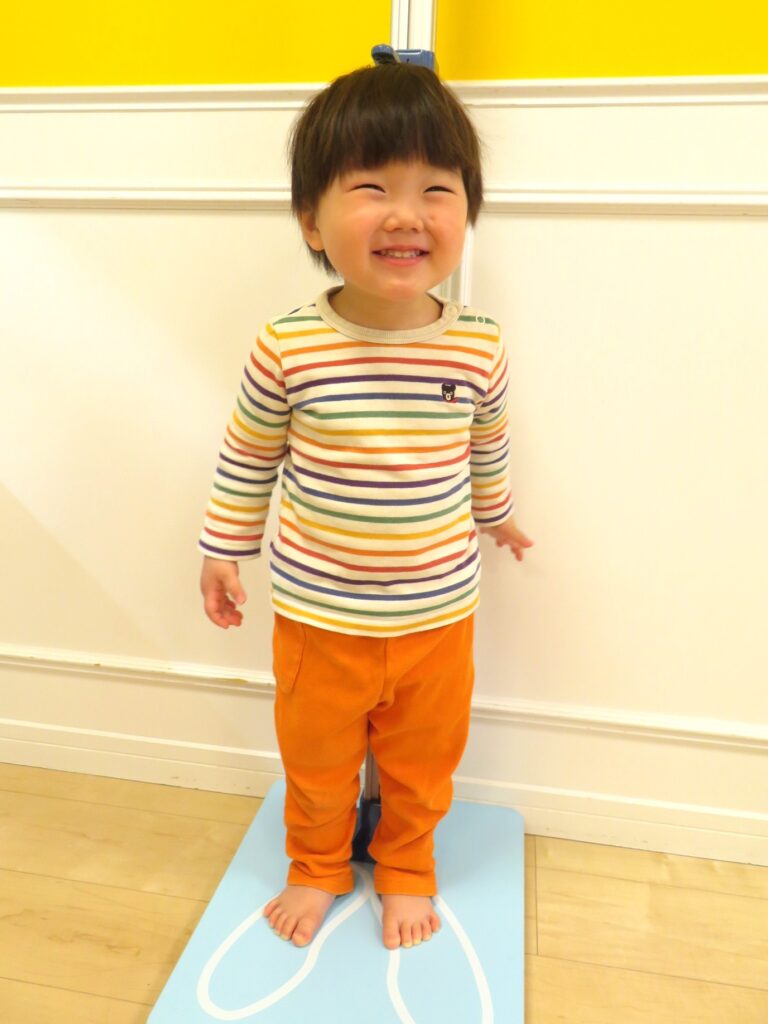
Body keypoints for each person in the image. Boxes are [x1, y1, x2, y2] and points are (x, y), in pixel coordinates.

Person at [198, 60, 534, 954]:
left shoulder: (479, 345)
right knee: (317, 763)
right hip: (319, 619)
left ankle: (408, 863)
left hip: (439, 616)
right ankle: (315, 864)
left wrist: (498, 514)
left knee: (423, 762)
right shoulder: (289, 346)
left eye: (436, 189)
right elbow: (249, 456)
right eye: (372, 188)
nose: (406, 214)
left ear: (467, 212)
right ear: (312, 220)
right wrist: (222, 549)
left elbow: (486, 445)